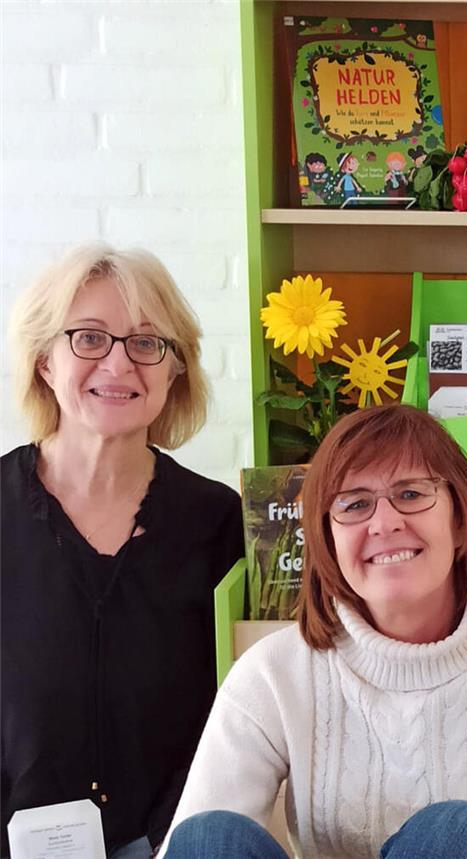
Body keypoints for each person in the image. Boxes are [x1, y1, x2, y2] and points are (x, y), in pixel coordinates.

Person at [161, 405, 467, 859]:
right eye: (354, 504)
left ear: (459, 519)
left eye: (411, 494)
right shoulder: (273, 672)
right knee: (209, 837)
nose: (385, 522)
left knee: (459, 833)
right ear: (328, 542)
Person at [1, 244, 244, 858]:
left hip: (175, 845)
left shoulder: (219, 522)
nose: (119, 364)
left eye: (145, 343)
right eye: (88, 338)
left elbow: (241, 708)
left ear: (174, 369)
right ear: (44, 363)